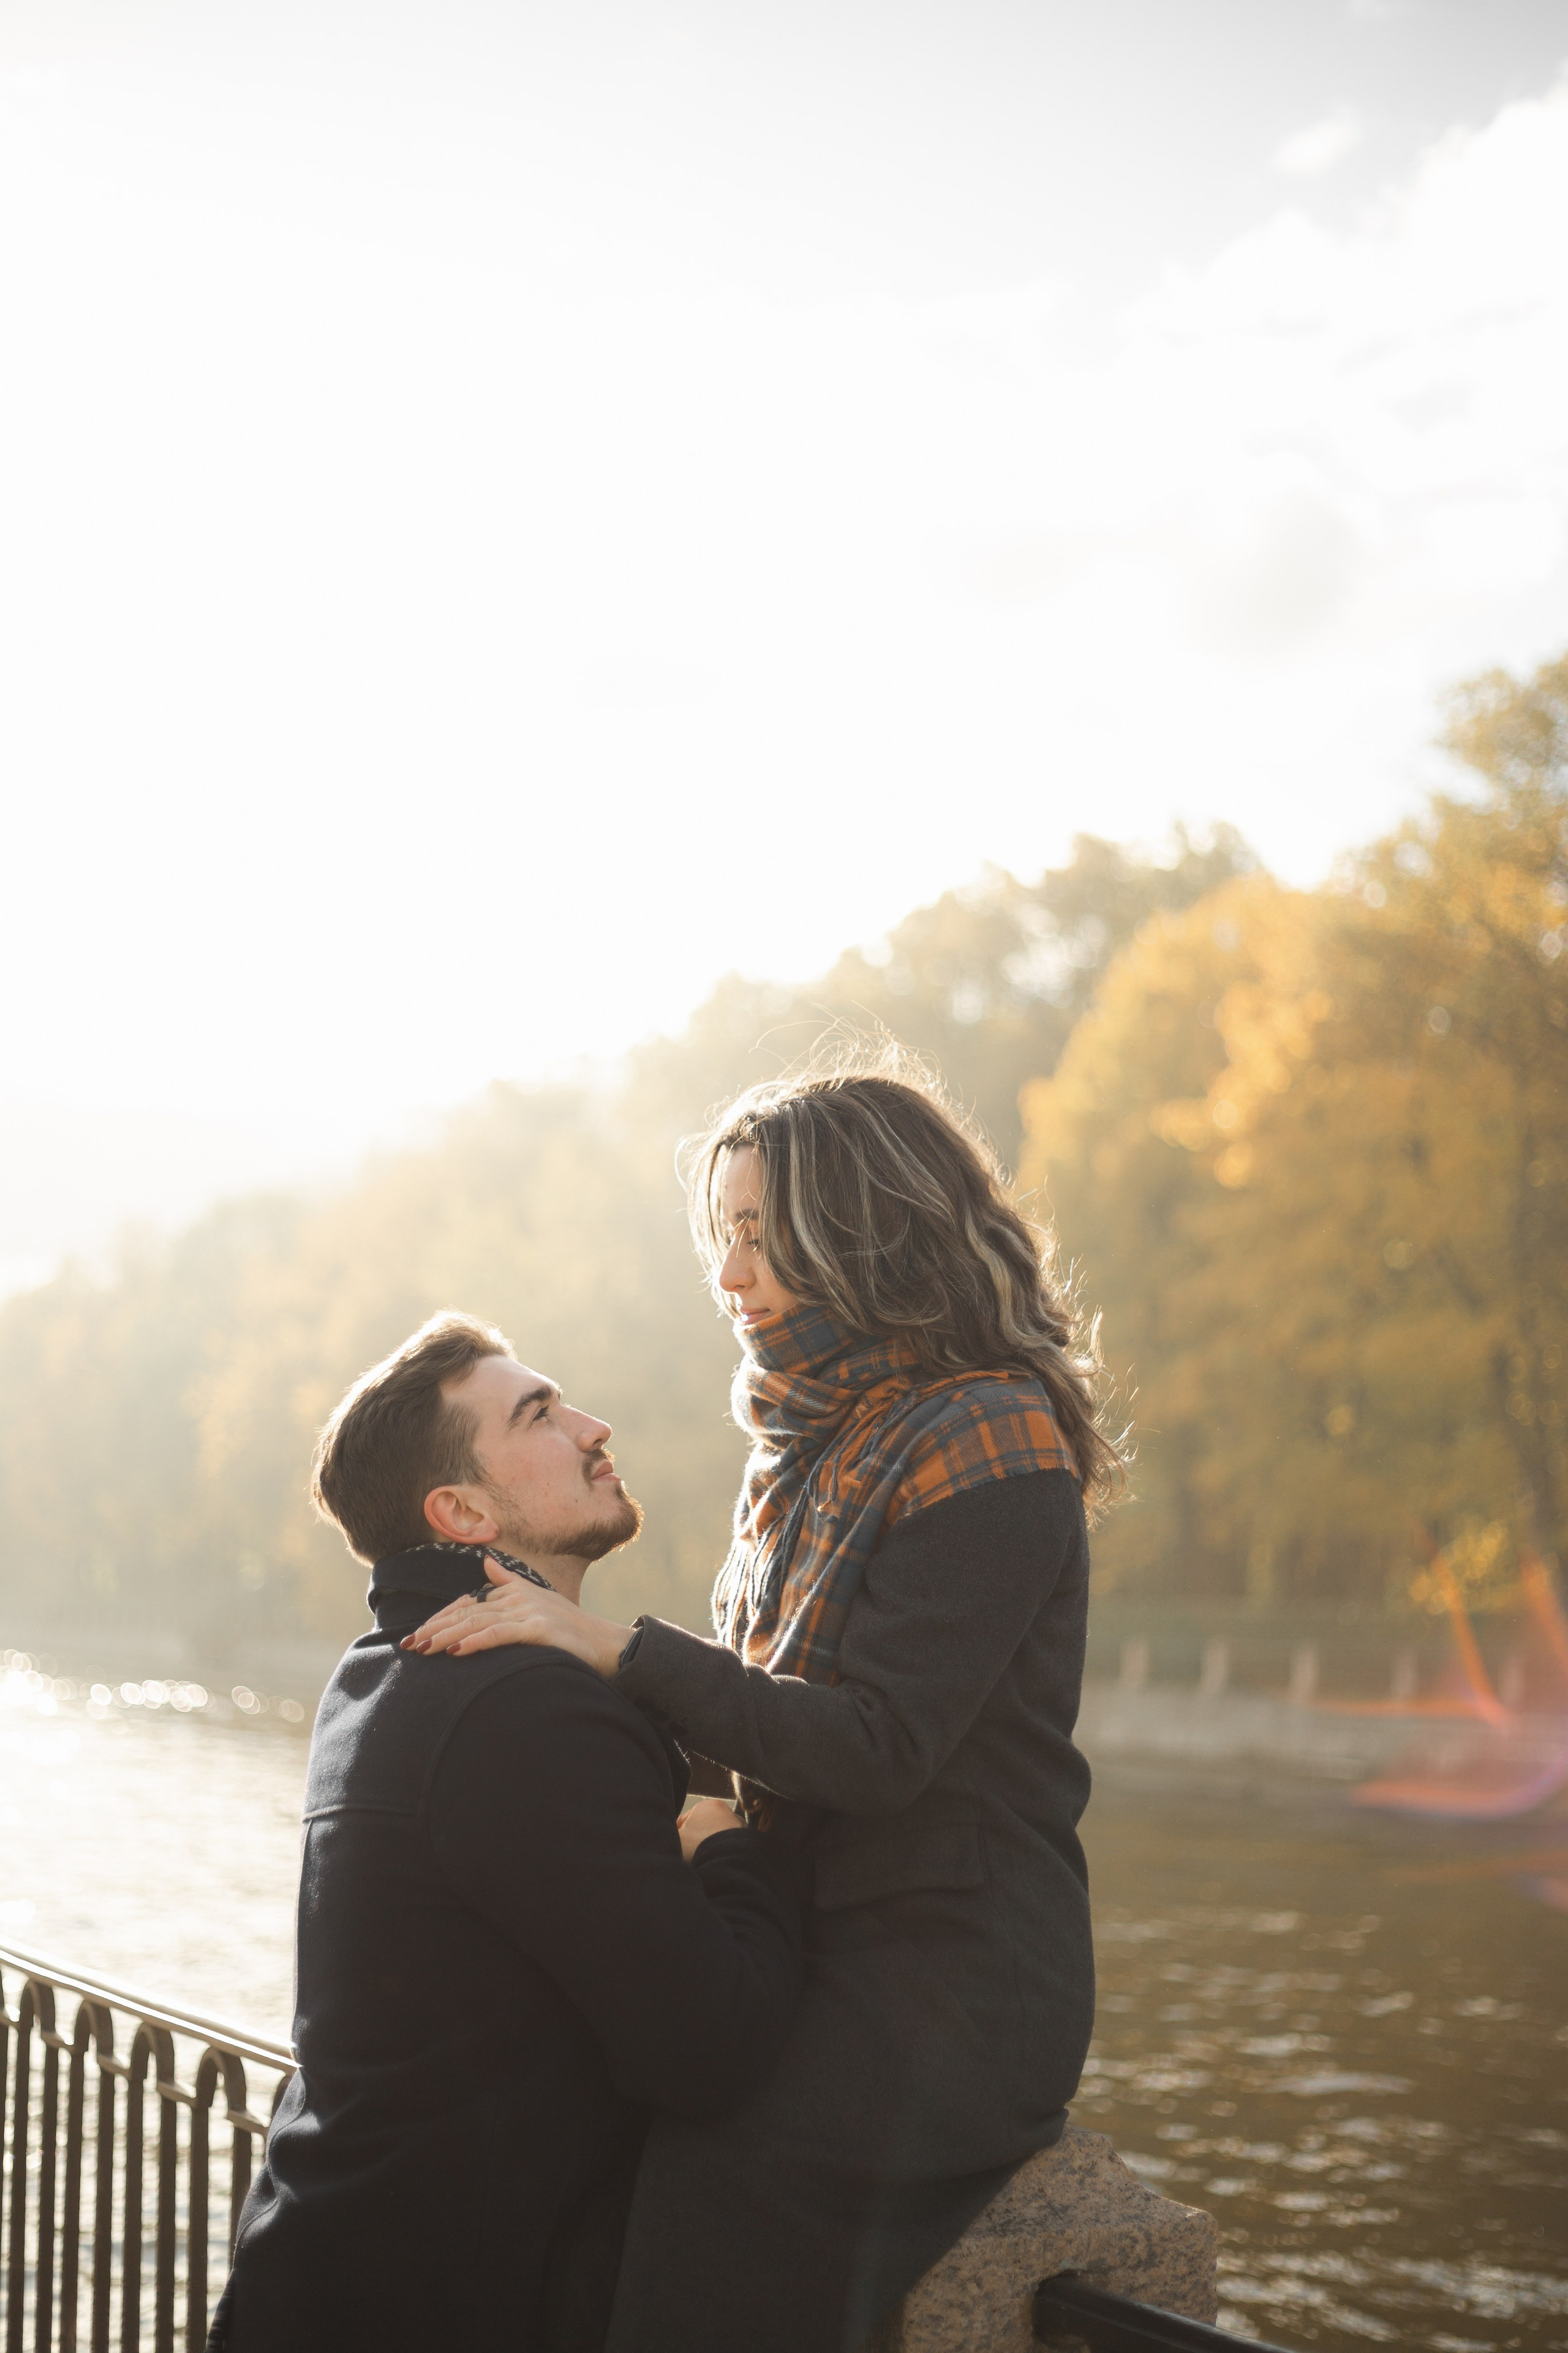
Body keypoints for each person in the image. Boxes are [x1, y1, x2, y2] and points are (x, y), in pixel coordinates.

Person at [409, 1067, 1123, 2353]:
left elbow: (872, 1747)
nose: (727, 1272)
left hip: (949, 1982)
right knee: (578, 2149)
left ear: (862, 1226)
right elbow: (741, 1724)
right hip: (805, 1936)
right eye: (720, 1234)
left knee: (707, 2200)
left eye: (755, 1232)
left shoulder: (992, 1437)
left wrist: (608, 1645)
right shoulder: (796, 1444)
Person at [209, 1311, 805, 2353]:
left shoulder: (377, 1670)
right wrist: (724, 1841)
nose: (592, 1425)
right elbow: (715, 2049)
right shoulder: (523, 1706)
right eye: (539, 1413)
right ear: (463, 1510)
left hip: (318, 2284)